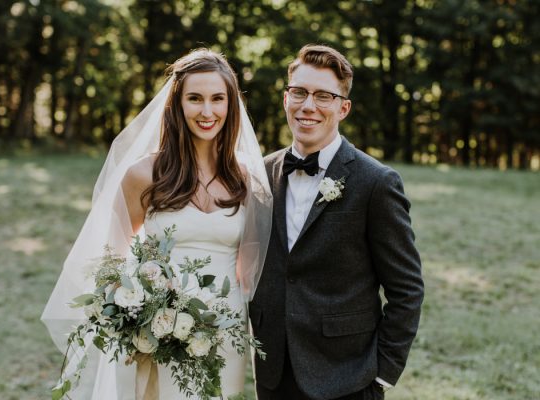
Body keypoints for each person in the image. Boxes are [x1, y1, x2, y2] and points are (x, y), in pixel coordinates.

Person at [41, 49, 272, 400]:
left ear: (231, 105)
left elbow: (251, 271)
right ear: (176, 104)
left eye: (217, 99)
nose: (207, 111)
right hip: (160, 335)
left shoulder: (244, 177)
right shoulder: (143, 175)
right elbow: (111, 262)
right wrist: (144, 313)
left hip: (228, 331)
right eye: (195, 98)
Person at [249, 44, 424, 400]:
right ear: (286, 99)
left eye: (323, 96)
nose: (308, 105)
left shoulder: (376, 182)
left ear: (343, 107)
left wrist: (383, 375)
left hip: (347, 378)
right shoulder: (258, 174)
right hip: (272, 373)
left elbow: (407, 290)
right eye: (299, 92)